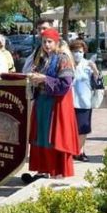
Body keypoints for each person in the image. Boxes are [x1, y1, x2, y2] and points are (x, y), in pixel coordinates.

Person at [23, 28, 79, 181]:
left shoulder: (63, 59)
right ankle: (44, 170)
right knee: (41, 137)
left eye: (50, 42)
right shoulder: (41, 59)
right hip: (42, 102)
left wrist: (44, 79)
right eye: (44, 42)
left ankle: (57, 171)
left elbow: (66, 84)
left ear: (56, 42)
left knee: (54, 138)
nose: (47, 45)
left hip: (56, 105)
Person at [69, 38, 100, 162]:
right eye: (75, 51)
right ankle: (70, 150)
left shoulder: (88, 64)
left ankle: (80, 151)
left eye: (80, 51)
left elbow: (98, 82)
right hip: (69, 101)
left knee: (83, 128)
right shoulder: (67, 63)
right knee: (71, 128)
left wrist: (95, 70)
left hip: (84, 101)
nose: (78, 54)